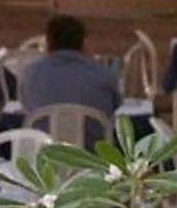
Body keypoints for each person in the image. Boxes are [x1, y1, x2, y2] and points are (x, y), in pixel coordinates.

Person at [17, 14, 119, 144]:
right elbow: (114, 107)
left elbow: (26, 106)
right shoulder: (103, 74)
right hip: (94, 153)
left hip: (43, 151)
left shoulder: (31, 74)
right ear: (83, 42)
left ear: (48, 42)